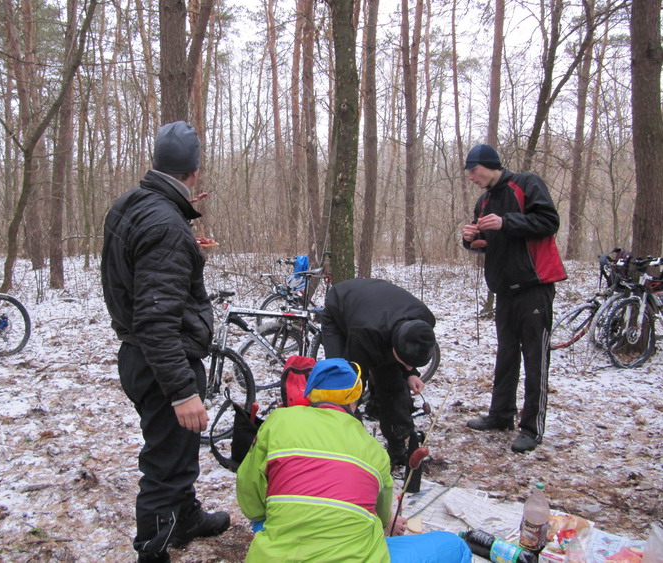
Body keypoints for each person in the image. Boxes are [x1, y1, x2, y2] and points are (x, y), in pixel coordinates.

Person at [101, 121, 229, 562]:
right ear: (193, 171)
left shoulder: (132, 204)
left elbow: (139, 278)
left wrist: (184, 245)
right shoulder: (165, 225)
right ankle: (151, 549)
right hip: (161, 362)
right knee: (165, 463)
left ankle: (186, 517)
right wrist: (182, 391)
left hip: (142, 355)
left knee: (177, 450)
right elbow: (156, 319)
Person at [236, 358, 470, 563]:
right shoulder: (373, 450)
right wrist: (388, 520)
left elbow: (249, 494)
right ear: (353, 401)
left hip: (274, 556)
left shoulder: (279, 421)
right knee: (454, 546)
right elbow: (381, 515)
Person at [461, 144, 566, 454]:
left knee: (535, 358)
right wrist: (470, 240)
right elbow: (485, 243)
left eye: (474, 170)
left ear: (490, 165)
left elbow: (549, 222)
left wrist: (506, 222)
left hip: (534, 285)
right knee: (506, 355)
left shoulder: (526, 184)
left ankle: (532, 428)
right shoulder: (484, 201)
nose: (471, 177)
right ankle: (501, 415)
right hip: (504, 290)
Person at [320, 278, 437, 466]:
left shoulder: (425, 319)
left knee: (393, 382)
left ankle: (397, 446)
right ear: (394, 348)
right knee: (341, 379)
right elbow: (355, 374)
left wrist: (411, 373)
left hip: (380, 310)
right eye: (407, 363)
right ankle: (350, 447)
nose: (409, 366)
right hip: (341, 305)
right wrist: (351, 398)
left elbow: (412, 345)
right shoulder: (364, 333)